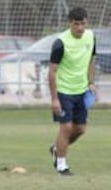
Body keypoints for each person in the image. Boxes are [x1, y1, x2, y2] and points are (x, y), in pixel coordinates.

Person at [48, 7, 96, 176]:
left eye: (83, 23)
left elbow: (92, 59)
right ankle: (61, 165)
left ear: (87, 22)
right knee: (66, 128)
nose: (80, 28)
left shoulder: (91, 36)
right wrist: (54, 99)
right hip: (63, 91)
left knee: (80, 129)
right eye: (76, 24)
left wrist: (91, 82)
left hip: (81, 91)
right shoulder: (60, 42)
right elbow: (52, 72)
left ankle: (56, 149)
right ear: (70, 24)